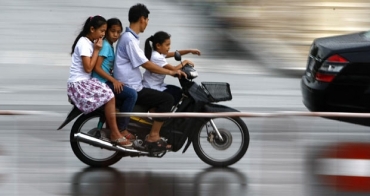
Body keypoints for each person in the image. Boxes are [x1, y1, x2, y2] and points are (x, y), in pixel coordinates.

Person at [113, 4, 186, 150]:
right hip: (132, 88)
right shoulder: (129, 39)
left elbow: (147, 61)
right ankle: (153, 136)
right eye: (147, 19)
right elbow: (146, 64)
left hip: (134, 85)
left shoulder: (131, 39)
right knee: (168, 99)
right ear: (142, 19)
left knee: (171, 93)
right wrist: (170, 72)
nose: (147, 23)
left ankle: (152, 121)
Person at [68, 15, 132, 147]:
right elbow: (89, 68)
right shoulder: (84, 43)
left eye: (104, 31)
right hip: (79, 84)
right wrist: (97, 50)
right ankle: (115, 133)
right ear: (92, 29)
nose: (103, 34)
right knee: (110, 95)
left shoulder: (89, 42)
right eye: (102, 31)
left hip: (84, 82)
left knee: (111, 94)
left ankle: (112, 128)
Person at [91, 18, 137, 141]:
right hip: (102, 82)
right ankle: (122, 129)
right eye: (112, 31)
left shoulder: (109, 46)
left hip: (105, 81)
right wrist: (114, 81)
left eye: (118, 32)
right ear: (106, 32)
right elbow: (97, 67)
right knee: (132, 95)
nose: (116, 35)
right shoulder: (106, 45)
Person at [143, 31, 201, 104]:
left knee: (178, 91)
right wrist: (185, 61)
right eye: (167, 45)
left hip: (157, 85)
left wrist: (190, 51)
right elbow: (174, 69)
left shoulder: (158, 53)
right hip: (152, 87)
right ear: (158, 45)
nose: (169, 47)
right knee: (177, 94)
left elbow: (175, 53)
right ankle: (156, 110)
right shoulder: (156, 57)